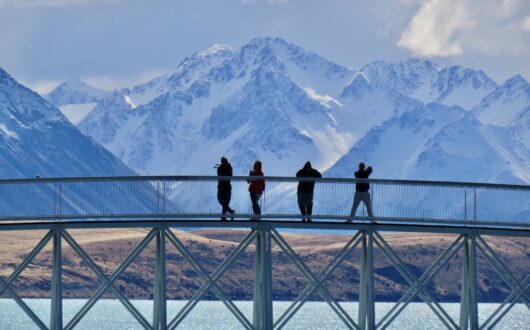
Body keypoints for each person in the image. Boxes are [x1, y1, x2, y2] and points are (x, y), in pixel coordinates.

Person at [216, 157, 235, 221]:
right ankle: (230, 213)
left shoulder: (222, 167)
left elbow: (220, 174)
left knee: (223, 202)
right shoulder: (228, 167)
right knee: (225, 202)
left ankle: (224, 216)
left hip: (223, 187)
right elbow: (230, 175)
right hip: (225, 187)